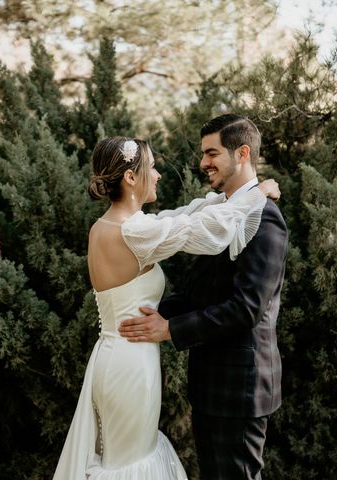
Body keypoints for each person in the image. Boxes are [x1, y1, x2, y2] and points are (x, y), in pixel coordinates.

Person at [52, 135, 279, 479]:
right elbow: (199, 228)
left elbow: (182, 216)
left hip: (112, 356)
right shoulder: (134, 232)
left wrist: (228, 198)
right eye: (152, 167)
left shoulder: (108, 227)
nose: (157, 175)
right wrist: (254, 197)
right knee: (130, 465)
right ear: (131, 178)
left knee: (122, 458)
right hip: (131, 366)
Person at [118, 114, 289, 480]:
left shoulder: (265, 218)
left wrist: (170, 329)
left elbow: (247, 309)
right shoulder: (220, 215)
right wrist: (146, 313)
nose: (203, 163)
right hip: (211, 383)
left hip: (240, 387)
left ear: (242, 153)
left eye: (212, 153)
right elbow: (202, 293)